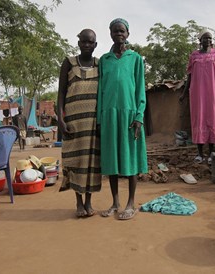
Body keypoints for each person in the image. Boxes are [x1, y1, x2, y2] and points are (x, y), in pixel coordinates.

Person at [97, 18, 147, 220]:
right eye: (115, 31)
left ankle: (130, 203)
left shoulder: (135, 59)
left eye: (122, 31)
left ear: (128, 34)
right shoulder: (104, 60)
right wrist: (100, 119)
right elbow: (100, 91)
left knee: (131, 159)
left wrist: (139, 116)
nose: (119, 34)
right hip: (109, 115)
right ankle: (115, 202)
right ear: (110, 34)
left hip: (130, 115)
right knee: (111, 161)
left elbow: (140, 89)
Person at [57, 29, 101, 218]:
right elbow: (60, 94)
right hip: (74, 122)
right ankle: (78, 202)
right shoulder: (68, 62)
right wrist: (60, 119)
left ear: (95, 45)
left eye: (90, 42)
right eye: (83, 42)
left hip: (93, 123)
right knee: (75, 161)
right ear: (78, 43)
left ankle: (89, 201)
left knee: (92, 162)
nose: (86, 45)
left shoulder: (100, 64)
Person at [180, 31, 215, 165]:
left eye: (210, 38)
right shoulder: (194, 56)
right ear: (200, 40)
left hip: (213, 92)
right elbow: (189, 76)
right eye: (205, 38)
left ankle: (211, 153)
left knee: (212, 120)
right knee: (198, 120)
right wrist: (184, 93)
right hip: (197, 93)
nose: (208, 40)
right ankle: (200, 154)